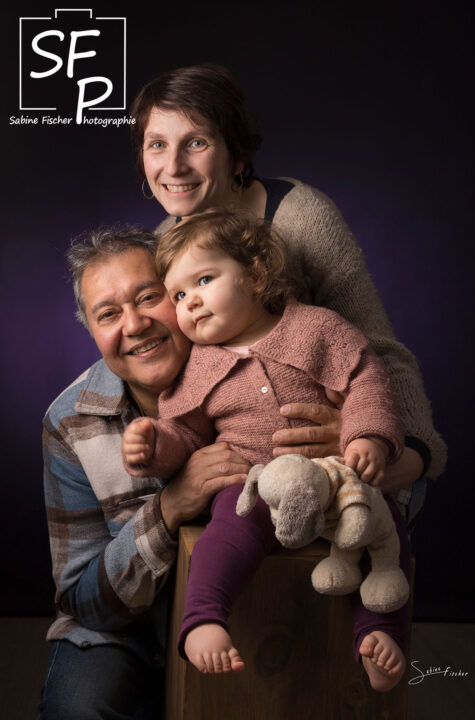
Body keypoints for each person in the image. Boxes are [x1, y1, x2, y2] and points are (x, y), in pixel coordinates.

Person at [122, 208, 408, 686]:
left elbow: (367, 382)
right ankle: (205, 617)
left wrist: (368, 436)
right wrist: (156, 444)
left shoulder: (318, 328)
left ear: (255, 274)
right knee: (225, 532)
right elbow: (187, 434)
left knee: (385, 527)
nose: (190, 302)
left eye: (205, 279)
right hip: (254, 487)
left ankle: (379, 634)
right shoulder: (197, 365)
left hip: (334, 478)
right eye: (178, 295)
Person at [130, 62, 446, 491]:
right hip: (242, 476)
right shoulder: (163, 246)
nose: (173, 166)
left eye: (196, 142)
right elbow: (170, 371)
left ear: (236, 153)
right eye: (156, 145)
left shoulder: (301, 218)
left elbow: (376, 351)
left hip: (345, 457)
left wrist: (403, 450)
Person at [39, 227, 251, 719]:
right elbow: (82, 601)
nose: (134, 324)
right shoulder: (69, 421)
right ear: (92, 331)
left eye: (149, 297)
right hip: (121, 631)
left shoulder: (253, 375)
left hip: (243, 619)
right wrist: (171, 508)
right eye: (108, 313)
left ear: (179, 295)